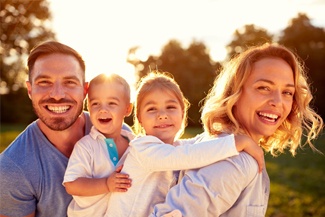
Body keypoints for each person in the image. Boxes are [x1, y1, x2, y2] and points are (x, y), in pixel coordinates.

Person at [151, 43, 324, 217]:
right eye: (264, 88)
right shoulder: (234, 162)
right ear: (235, 93)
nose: (278, 101)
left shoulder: (211, 143)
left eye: (287, 92)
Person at [104, 72, 265, 217]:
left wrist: (229, 134)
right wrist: (237, 143)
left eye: (170, 107)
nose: (162, 115)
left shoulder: (174, 148)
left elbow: (196, 145)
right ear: (140, 118)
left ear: (182, 112)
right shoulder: (143, 147)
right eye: (152, 109)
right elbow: (189, 155)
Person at [0, 41, 130, 217]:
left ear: (85, 90)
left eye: (69, 82)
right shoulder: (13, 168)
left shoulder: (116, 131)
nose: (57, 95)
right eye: (44, 82)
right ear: (30, 90)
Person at [63, 73, 134, 216]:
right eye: (95, 104)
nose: (103, 109)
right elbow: (72, 184)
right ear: (88, 107)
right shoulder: (86, 146)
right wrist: (106, 184)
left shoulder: (135, 144)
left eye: (112, 103)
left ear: (127, 109)